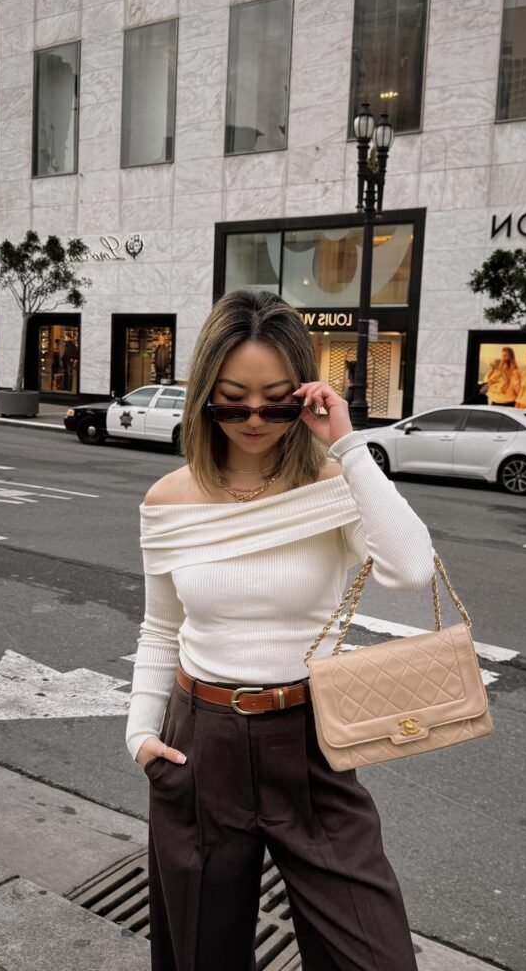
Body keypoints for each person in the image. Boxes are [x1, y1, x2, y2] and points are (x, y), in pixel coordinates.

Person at [125, 289, 435, 971]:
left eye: (276, 400)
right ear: (204, 396)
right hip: (200, 745)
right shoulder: (168, 500)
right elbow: (160, 629)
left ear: (304, 395)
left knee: (373, 955)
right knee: (200, 954)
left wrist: (348, 443)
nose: (255, 418)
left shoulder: (333, 485)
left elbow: (412, 569)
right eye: (233, 400)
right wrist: (141, 736)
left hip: (311, 739)